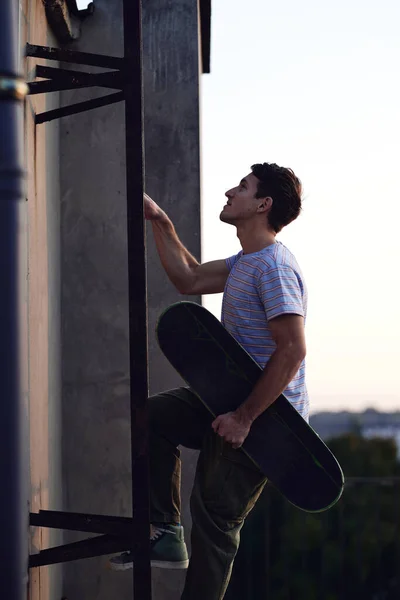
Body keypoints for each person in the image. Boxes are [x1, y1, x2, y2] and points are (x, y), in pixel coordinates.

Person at [109, 162, 308, 600]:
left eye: (242, 187)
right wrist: (161, 222)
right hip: (228, 396)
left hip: (267, 420)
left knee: (215, 525)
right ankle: (164, 530)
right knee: (153, 416)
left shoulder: (273, 267)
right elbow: (191, 278)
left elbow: (292, 350)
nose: (228, 192)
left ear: (263, 204)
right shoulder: (245, 262)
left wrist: (244, 418)